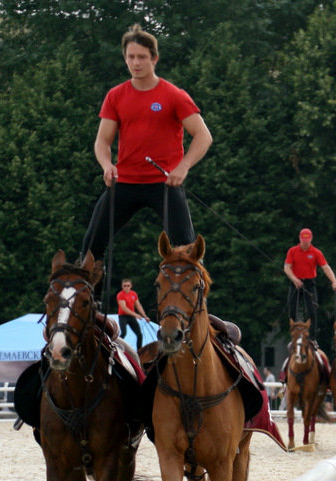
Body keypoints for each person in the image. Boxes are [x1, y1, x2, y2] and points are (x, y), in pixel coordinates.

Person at [80, 24, 212, 265]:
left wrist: (183, 167)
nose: (136, 62)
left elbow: (203, 136)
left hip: (164, 183)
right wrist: (106, 165)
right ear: (125, 59)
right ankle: (93, 301)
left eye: (142, 57)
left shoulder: (173, 95)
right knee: (89, 248)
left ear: (154, 59)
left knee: (188, 251)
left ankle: (194, 302)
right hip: (125, 182)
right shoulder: (116, 96)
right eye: (131, 57)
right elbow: (102, 141)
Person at [284, 228, 336, 342]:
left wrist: (334, 281)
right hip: (296, 282)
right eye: (303, 240)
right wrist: (294, 279)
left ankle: (312, 338)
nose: (305, 243)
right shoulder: (292, 251)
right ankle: (294, 336)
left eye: (307, 240)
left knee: (312, 310)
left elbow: (325, 267)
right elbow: (287, 267)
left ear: (311, 239)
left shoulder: (316, 252)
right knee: (292, 309)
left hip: (309, 283)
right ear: (300, 238)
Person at [115, 278, 149, 350]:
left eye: (128, 285)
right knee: (123, 333)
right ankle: (116, 347)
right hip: (123, 316)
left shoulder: (133, 294)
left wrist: (145, 316)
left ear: (131, 286)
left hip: (131, 316)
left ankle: (139, 351)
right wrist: (136, 315)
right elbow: (124, 308)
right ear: (122, 286)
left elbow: (138, 305)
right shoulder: (120, 295)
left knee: (139, 334)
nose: (126, 287)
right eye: (125, 286)